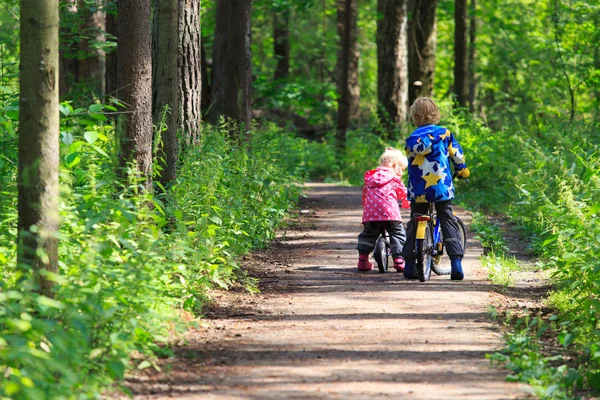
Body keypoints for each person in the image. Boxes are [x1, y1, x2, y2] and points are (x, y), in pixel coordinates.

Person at [403, 97, 470, 280]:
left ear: (415, 117)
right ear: (436, 114)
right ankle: (456, 264)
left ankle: (409, 266)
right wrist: (462, 170)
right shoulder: (444, 134)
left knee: (415, 222)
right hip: (441, 187)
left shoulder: (411, 139)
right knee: (447, 219)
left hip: (418, 189)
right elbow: (457, 155)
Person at [356, 148, 411, 272]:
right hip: (390, 213)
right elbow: (403, 193)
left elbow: (365, 194)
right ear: (393, 165)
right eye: (401, 169)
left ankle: (363, 261)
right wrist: (407, 204)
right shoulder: (394, 179)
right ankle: (399, 260)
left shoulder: (370, 178)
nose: (402, 173)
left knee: (368, 235)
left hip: (371, 214)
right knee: (397, 234)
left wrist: (366, 208)